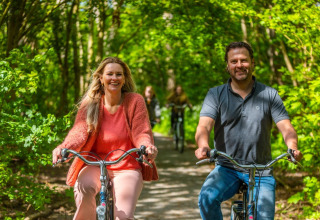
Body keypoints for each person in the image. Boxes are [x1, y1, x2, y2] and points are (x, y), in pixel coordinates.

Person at [194, 42, 303, 220]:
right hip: (227, 168)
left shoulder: (269, 94)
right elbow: (204, 126)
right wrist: (203, 146)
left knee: (265, 217)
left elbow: (286, 127)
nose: (239, 65)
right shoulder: (216, 94)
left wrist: (292, 147)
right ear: (227, 66)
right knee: (206, 199)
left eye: (244, 60)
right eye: (234, 61)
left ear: (252, 63)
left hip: (261, 169)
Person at [52, 57, 159, 220]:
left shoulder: (135, 101)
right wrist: (64, 147)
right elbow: (79, 131)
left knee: (122, 216)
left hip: (127, 166)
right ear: (101, 78)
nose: (114, 78)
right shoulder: (90, 103)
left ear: (124, 79)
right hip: (94, 164)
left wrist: (146, 146)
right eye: (110, 74)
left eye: (119, 74)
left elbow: (141, 131)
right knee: (84, 190)